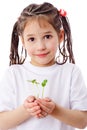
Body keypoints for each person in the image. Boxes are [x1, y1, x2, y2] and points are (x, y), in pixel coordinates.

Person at [0, 2, 87, 130]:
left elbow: (82, 122)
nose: (40, 46)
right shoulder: (14, 74)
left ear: (60, 35)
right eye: (32, 39)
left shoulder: (71, 72)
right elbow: (2, 123)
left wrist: (55, 110)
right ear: (23, 41)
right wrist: (26, 110)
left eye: (47, 36)